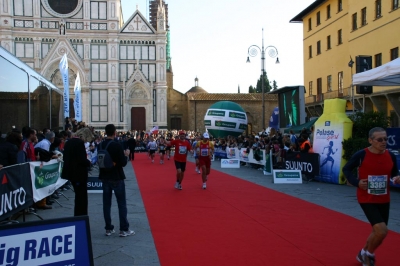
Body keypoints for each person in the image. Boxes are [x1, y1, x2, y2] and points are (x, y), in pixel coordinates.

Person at [342, 127, 400, 266]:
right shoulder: (361, 155)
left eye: (385, 139)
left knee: (379, 232)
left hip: (384, 198)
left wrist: (397, 177)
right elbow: (346, 169)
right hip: (366, 197)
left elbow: (394, 173)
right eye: (379, 139)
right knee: (382, 230)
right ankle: (369, 255)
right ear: (370, 140)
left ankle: (363, 253)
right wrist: (357, 182)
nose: (383, 142)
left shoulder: (390, 155)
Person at [99, 124, 134, 237]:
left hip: (104, 176)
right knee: (121, 203)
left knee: (106, 204)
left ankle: (108, 228)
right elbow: (123, 163)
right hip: (116, 177)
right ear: (114, 133)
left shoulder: (100, 145)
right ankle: (124, 229)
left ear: (105, 132)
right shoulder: (117, 145)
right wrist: (126, 155)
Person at [61, 127, 92, 216]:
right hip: (79, 173)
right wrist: (88, 162)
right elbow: (81, 159)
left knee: (78, 195)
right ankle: (81, 215)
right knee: (81, 196)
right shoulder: (79, 143)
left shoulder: (68, 142)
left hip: (71, 173)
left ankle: (78, 215)